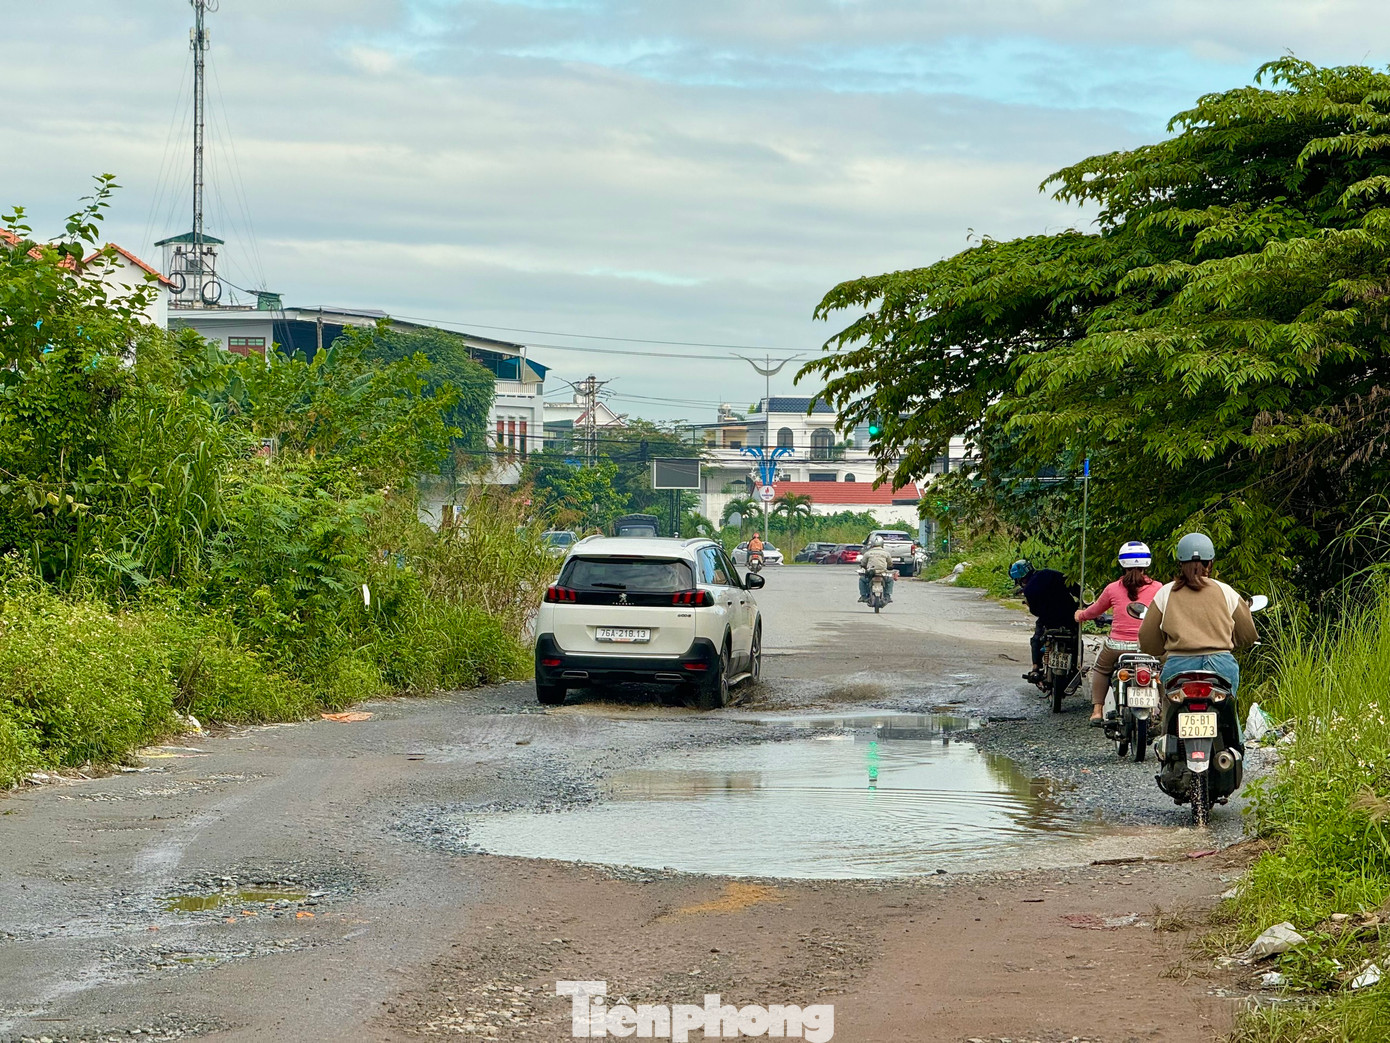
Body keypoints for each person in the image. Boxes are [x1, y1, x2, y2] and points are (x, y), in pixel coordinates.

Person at [1138, 532, 1257, 697]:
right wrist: (1228, 642)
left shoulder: (1165, 593)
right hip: (1220, 665)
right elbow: (1248, 635)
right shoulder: (1226, 591)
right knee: (1228, 716)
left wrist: (1162, 650)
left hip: (1178, 667)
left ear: (1180, 563)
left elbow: (1147, 638)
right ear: (1210, 563)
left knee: (1170, 716)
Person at [1074, 541, 1163, 726]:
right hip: (1148, 647)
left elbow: (1095, 610)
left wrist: (1080, 615)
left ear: (1122, 563)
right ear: (1147, 563)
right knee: (1163, 670)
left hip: (1117, 647)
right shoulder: (1158, 588)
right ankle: (1162, 706)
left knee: (1101, 669)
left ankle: (1097, 711)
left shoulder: (1112, 588)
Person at [1011, 558, 1079, 683]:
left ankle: (1036, 667)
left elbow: (1035, 611)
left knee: (1036, 639)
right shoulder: (1051, 574)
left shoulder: (1028, 590)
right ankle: (1075, 666)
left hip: (1048, 621)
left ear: (1020, 579)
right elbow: (1075, 588)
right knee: (1077, 640)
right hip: (1069, 617)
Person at [858, 535, 895, 603]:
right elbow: (890, 564)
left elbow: (863, 564)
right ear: (882, 544)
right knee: (890, 580)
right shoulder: (886, 553)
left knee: (862, 579)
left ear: (872, 544)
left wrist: (864, 567)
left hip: (871, 573)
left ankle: (863, 596)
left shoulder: (868, 553)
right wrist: (890, 567)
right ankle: (887, 596)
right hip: (882, 573)